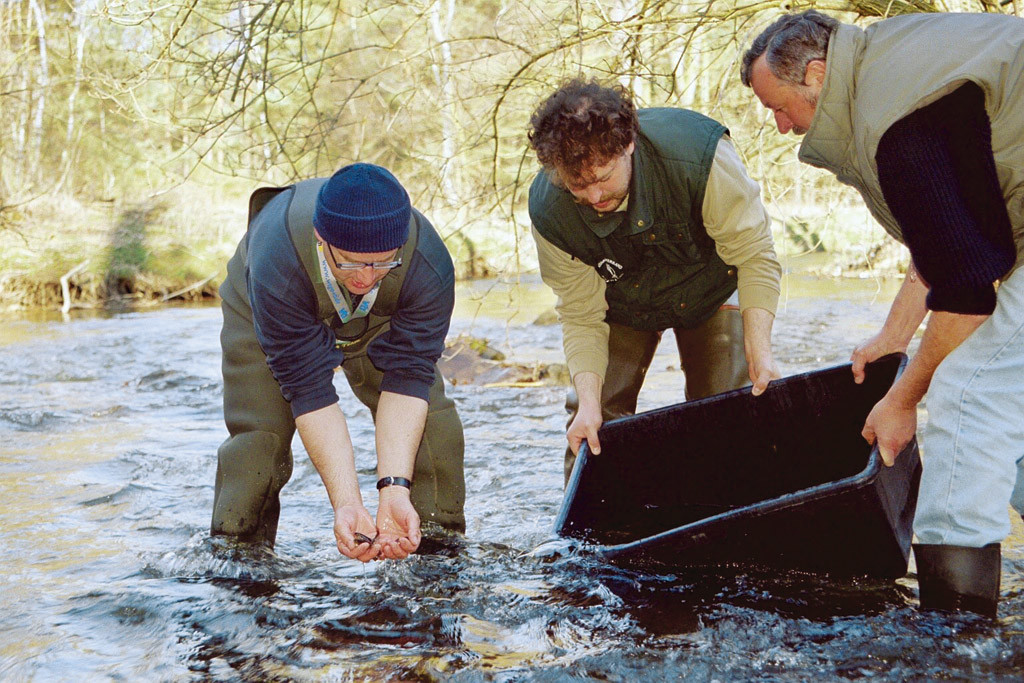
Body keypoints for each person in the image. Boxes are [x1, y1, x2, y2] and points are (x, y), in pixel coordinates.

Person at [742, 9, 1024, 616]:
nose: (782, 126)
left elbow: (969, 294)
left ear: (816, 74)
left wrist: (903, 400)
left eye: (780, 106)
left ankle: (956, 636)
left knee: (966, 394)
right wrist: (892, 338)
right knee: (1007, 395)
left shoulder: (897, 126)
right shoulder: (888, 67)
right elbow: (947, 243)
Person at [527, 80, 783, 482]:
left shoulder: (699, 156)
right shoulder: (550, 211)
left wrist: (761, 353)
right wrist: (589, 404)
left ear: (628, 143)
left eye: (604, 177)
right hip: (620, 301)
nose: (594, 197)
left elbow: (754, 256)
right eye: (578, 185)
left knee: (726, 406)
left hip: (712, 283)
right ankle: (585, 537)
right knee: (593, 419)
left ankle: (727, 514)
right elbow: (580, 315)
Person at [212, 162, 466, 562]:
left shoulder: (427, 264)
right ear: (321, 238)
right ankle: (240, 567)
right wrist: (347, 503)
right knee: (259, 446)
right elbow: (308, 389)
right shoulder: (278, 259)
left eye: (382, 261)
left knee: (436, 430)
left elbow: (409, 376)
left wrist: (393, 489)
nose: (365, 278)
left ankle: (437, 561)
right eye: (349, 261)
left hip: (381, 320)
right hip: (268, 306)